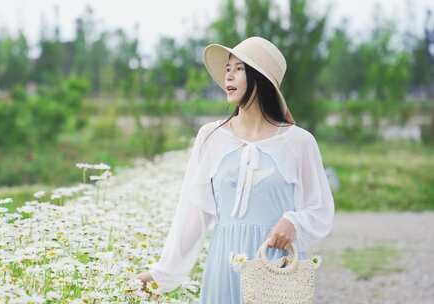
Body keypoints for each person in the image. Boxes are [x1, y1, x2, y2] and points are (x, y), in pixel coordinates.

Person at [137, 36, 335, 303]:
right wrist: (163, 273)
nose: (228, 75)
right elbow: (192, 214)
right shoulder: (210, 136)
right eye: (227, 68)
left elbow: (320, 209)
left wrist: (294, 222)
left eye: (239, 68)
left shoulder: (299, 142)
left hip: (274, 264)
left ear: (261, 78)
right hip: (223, 262)